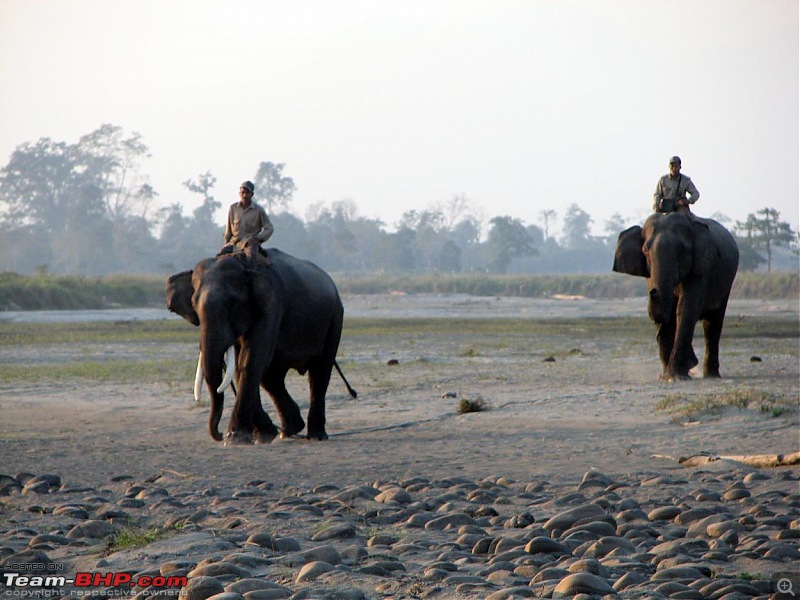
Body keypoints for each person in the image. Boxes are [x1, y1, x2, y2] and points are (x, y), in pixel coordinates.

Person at [220, 180, 274, 254]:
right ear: (239, 194)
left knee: (251, 260)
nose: (245, 195)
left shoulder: (258, 210)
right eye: (243, 192)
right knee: (219, 258)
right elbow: (228, 231)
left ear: (252, 194)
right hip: (234, 244)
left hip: (250, 245)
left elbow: (269, 228)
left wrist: (257, 238)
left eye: (247, 193)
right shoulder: (233, 208)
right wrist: (226, 243)